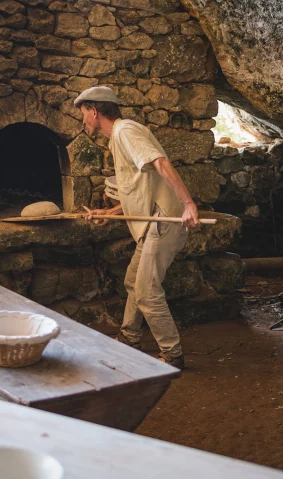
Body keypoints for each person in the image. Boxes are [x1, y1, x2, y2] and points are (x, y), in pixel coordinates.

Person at [75, 86, 200, 369]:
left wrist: (189, 204)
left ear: (94, 111)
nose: (83, 121)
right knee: (133, 281)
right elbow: (142, 187)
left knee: (146, 290)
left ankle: (172, 355)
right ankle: (130, 337)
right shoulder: (119, 137)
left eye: (84, 114)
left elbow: (160, 163)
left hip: (163, 219)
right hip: (149, 222)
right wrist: (111, 212)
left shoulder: (125, 131)